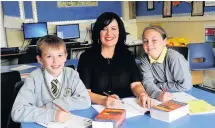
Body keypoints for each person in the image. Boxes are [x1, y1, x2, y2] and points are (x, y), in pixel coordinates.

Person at [77, 12, 153, 108]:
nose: (109, 33)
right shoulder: (86, 57)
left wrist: (142, 94)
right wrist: (104, 100)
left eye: (113, 29)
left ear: (119, 32)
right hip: (98, 108)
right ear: (98, 32)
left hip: (126, 107)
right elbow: (84, 92)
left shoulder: (127, 55)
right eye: (104, 29)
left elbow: (135, 84)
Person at [11, 35, 91, 123]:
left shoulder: (72, 75)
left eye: (60, 55)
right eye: (49, 56)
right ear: (40, 60)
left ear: (65, 57)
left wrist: (52, 105)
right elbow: (17, 112)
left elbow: (86, 101)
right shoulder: (34, 79)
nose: (55, 61)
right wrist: (52, 115)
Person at [140, 26, 192, 102]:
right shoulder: (144, 58)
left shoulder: (174, 58)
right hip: (160, 97)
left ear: (164, 42)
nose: (149, 44)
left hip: (182, 95)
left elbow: (185, 85)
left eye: (154, 40)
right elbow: (147, 82)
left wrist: (158, 85)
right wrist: (158, 94)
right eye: (145, 41)